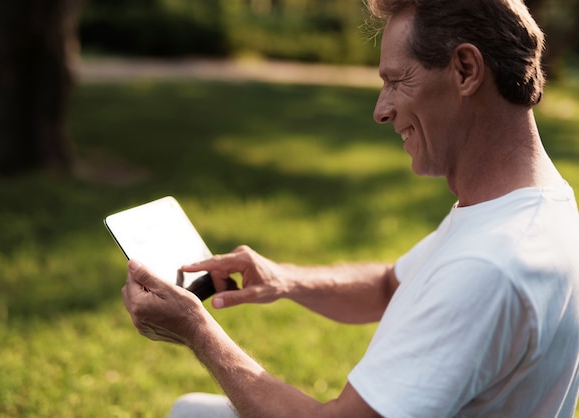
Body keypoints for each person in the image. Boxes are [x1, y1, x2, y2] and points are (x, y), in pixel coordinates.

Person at [121, 0, 579, 416]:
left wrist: (197, 330)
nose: (382, 110)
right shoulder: (533, 207)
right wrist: (285, 279)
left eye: (397, 80)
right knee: (191, 412)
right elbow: (387, 286)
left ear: (464, 70)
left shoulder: (491, 265)